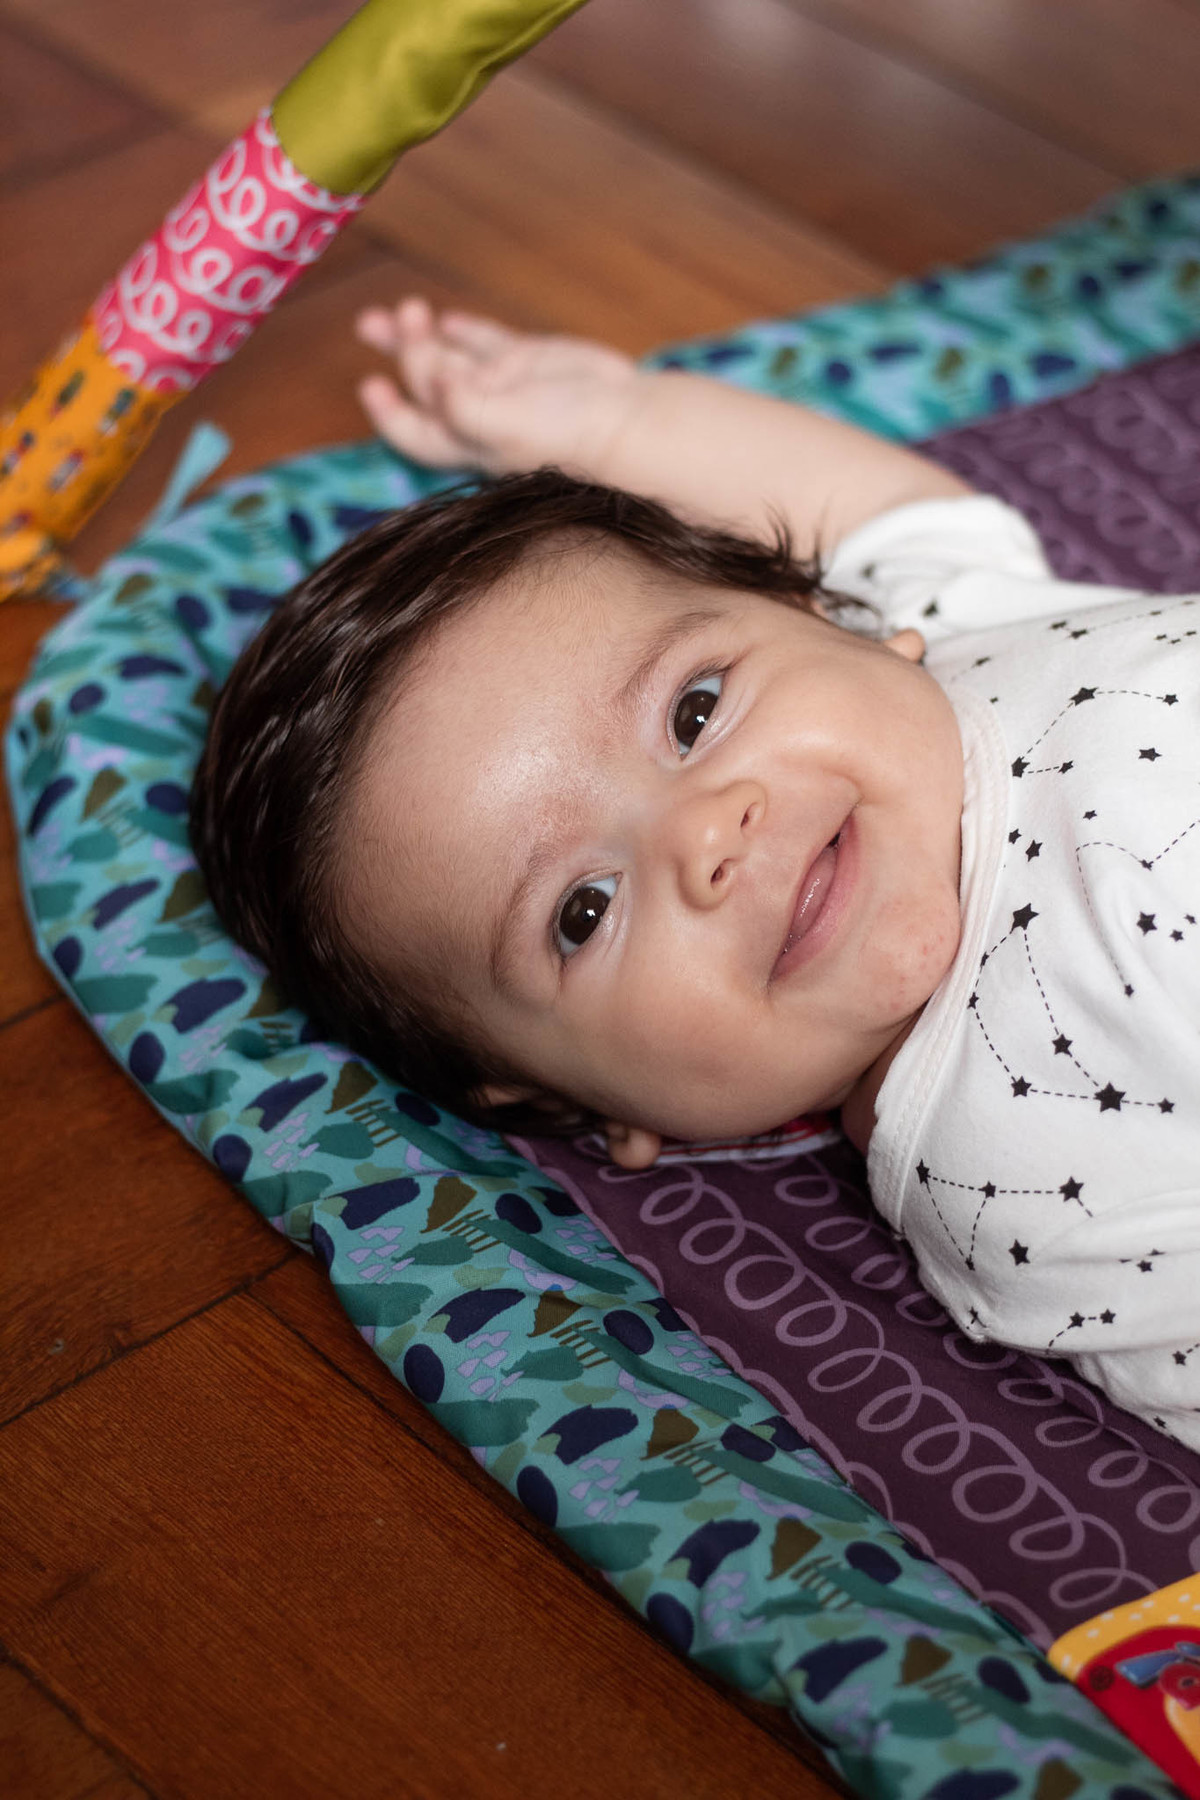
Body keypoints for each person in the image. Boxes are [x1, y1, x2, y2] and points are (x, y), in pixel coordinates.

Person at [190, 298, 1200, 1451]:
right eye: (583, 911)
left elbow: (882, 509)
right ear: (583, 1104)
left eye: (695, 711)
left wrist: (611, 419)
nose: (704, 838)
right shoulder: (1011, 1181)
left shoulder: (933, 626)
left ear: (820, 612)